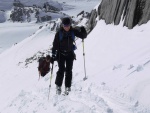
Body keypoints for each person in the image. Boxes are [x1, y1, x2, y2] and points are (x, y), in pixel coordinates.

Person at [51, 17, 87, 95]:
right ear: (62, 25)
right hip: (60, 54)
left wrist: (83, 30)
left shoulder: (73, 31)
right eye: (65, 25)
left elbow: (83, 36)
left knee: (69, 71)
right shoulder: (59, 33)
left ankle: (68, 86)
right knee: (61, 70)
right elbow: (55, 45)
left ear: (70, 25)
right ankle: (58, 86)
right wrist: (53, 55)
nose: (66, 27)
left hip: (70, 54)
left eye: (68, 25)